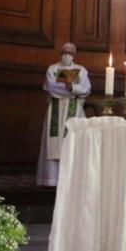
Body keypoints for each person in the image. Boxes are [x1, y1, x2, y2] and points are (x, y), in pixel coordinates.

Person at [37, 42, 91, 187]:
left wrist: (72, 87)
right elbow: (51, 87)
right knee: (53, 143)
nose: (67, 55)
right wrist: (71, 89)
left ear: (74, 54)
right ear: (60, 53)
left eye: (70, 52)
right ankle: (52, 179)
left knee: (73, 141)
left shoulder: (81, 70)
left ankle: (73, 179)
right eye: (65, 52)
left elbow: (86, 88)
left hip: (74, 110)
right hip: (55, 108)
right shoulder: (53, 69)